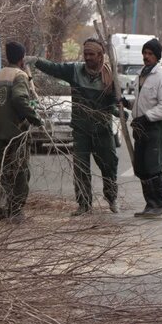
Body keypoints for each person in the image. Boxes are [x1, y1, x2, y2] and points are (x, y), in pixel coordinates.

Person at [27, 38, 119, 216]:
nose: (87, 58)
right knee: (81, 168)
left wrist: (118, 110)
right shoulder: (74, 71)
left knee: (109, 165)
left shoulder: (110, 75)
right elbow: (54, 68)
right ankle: (84, 204)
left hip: (103, 130)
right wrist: (36, 61)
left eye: (91, 54)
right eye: (86, 54)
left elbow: (114, 101)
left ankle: (111, 198)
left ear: (100, 56)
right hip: (81, 130)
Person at [0, 42, 43, 223]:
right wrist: (34, 117)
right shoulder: (19, 76)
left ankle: (2, 208)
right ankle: (17, 211)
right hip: (15, 132)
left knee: (6, 171)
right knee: (20, 172)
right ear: (22, 59)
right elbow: (19, 98)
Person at [127, 39, 162, 218]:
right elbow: (142, 102)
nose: (146, 57)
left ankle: (161, 204)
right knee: (140, 166)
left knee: (152, 165)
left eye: (150, 54)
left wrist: (146, 118)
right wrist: (128, 104)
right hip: (140, 126)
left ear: (157, 56)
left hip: (154, 126)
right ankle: (150, 204)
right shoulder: (141, 75)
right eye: (145, 53)